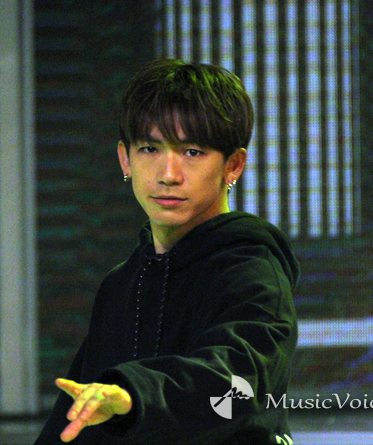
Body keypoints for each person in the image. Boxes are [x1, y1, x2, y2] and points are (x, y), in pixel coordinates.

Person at [33, 59, 299, 444]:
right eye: (149, 148)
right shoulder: (120, 286)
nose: (168, 174)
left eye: (192, 151)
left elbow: (235, 388)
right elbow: (75, 420)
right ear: (125, 159)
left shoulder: (254, 273)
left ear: (233, 165)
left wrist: (132, 396)